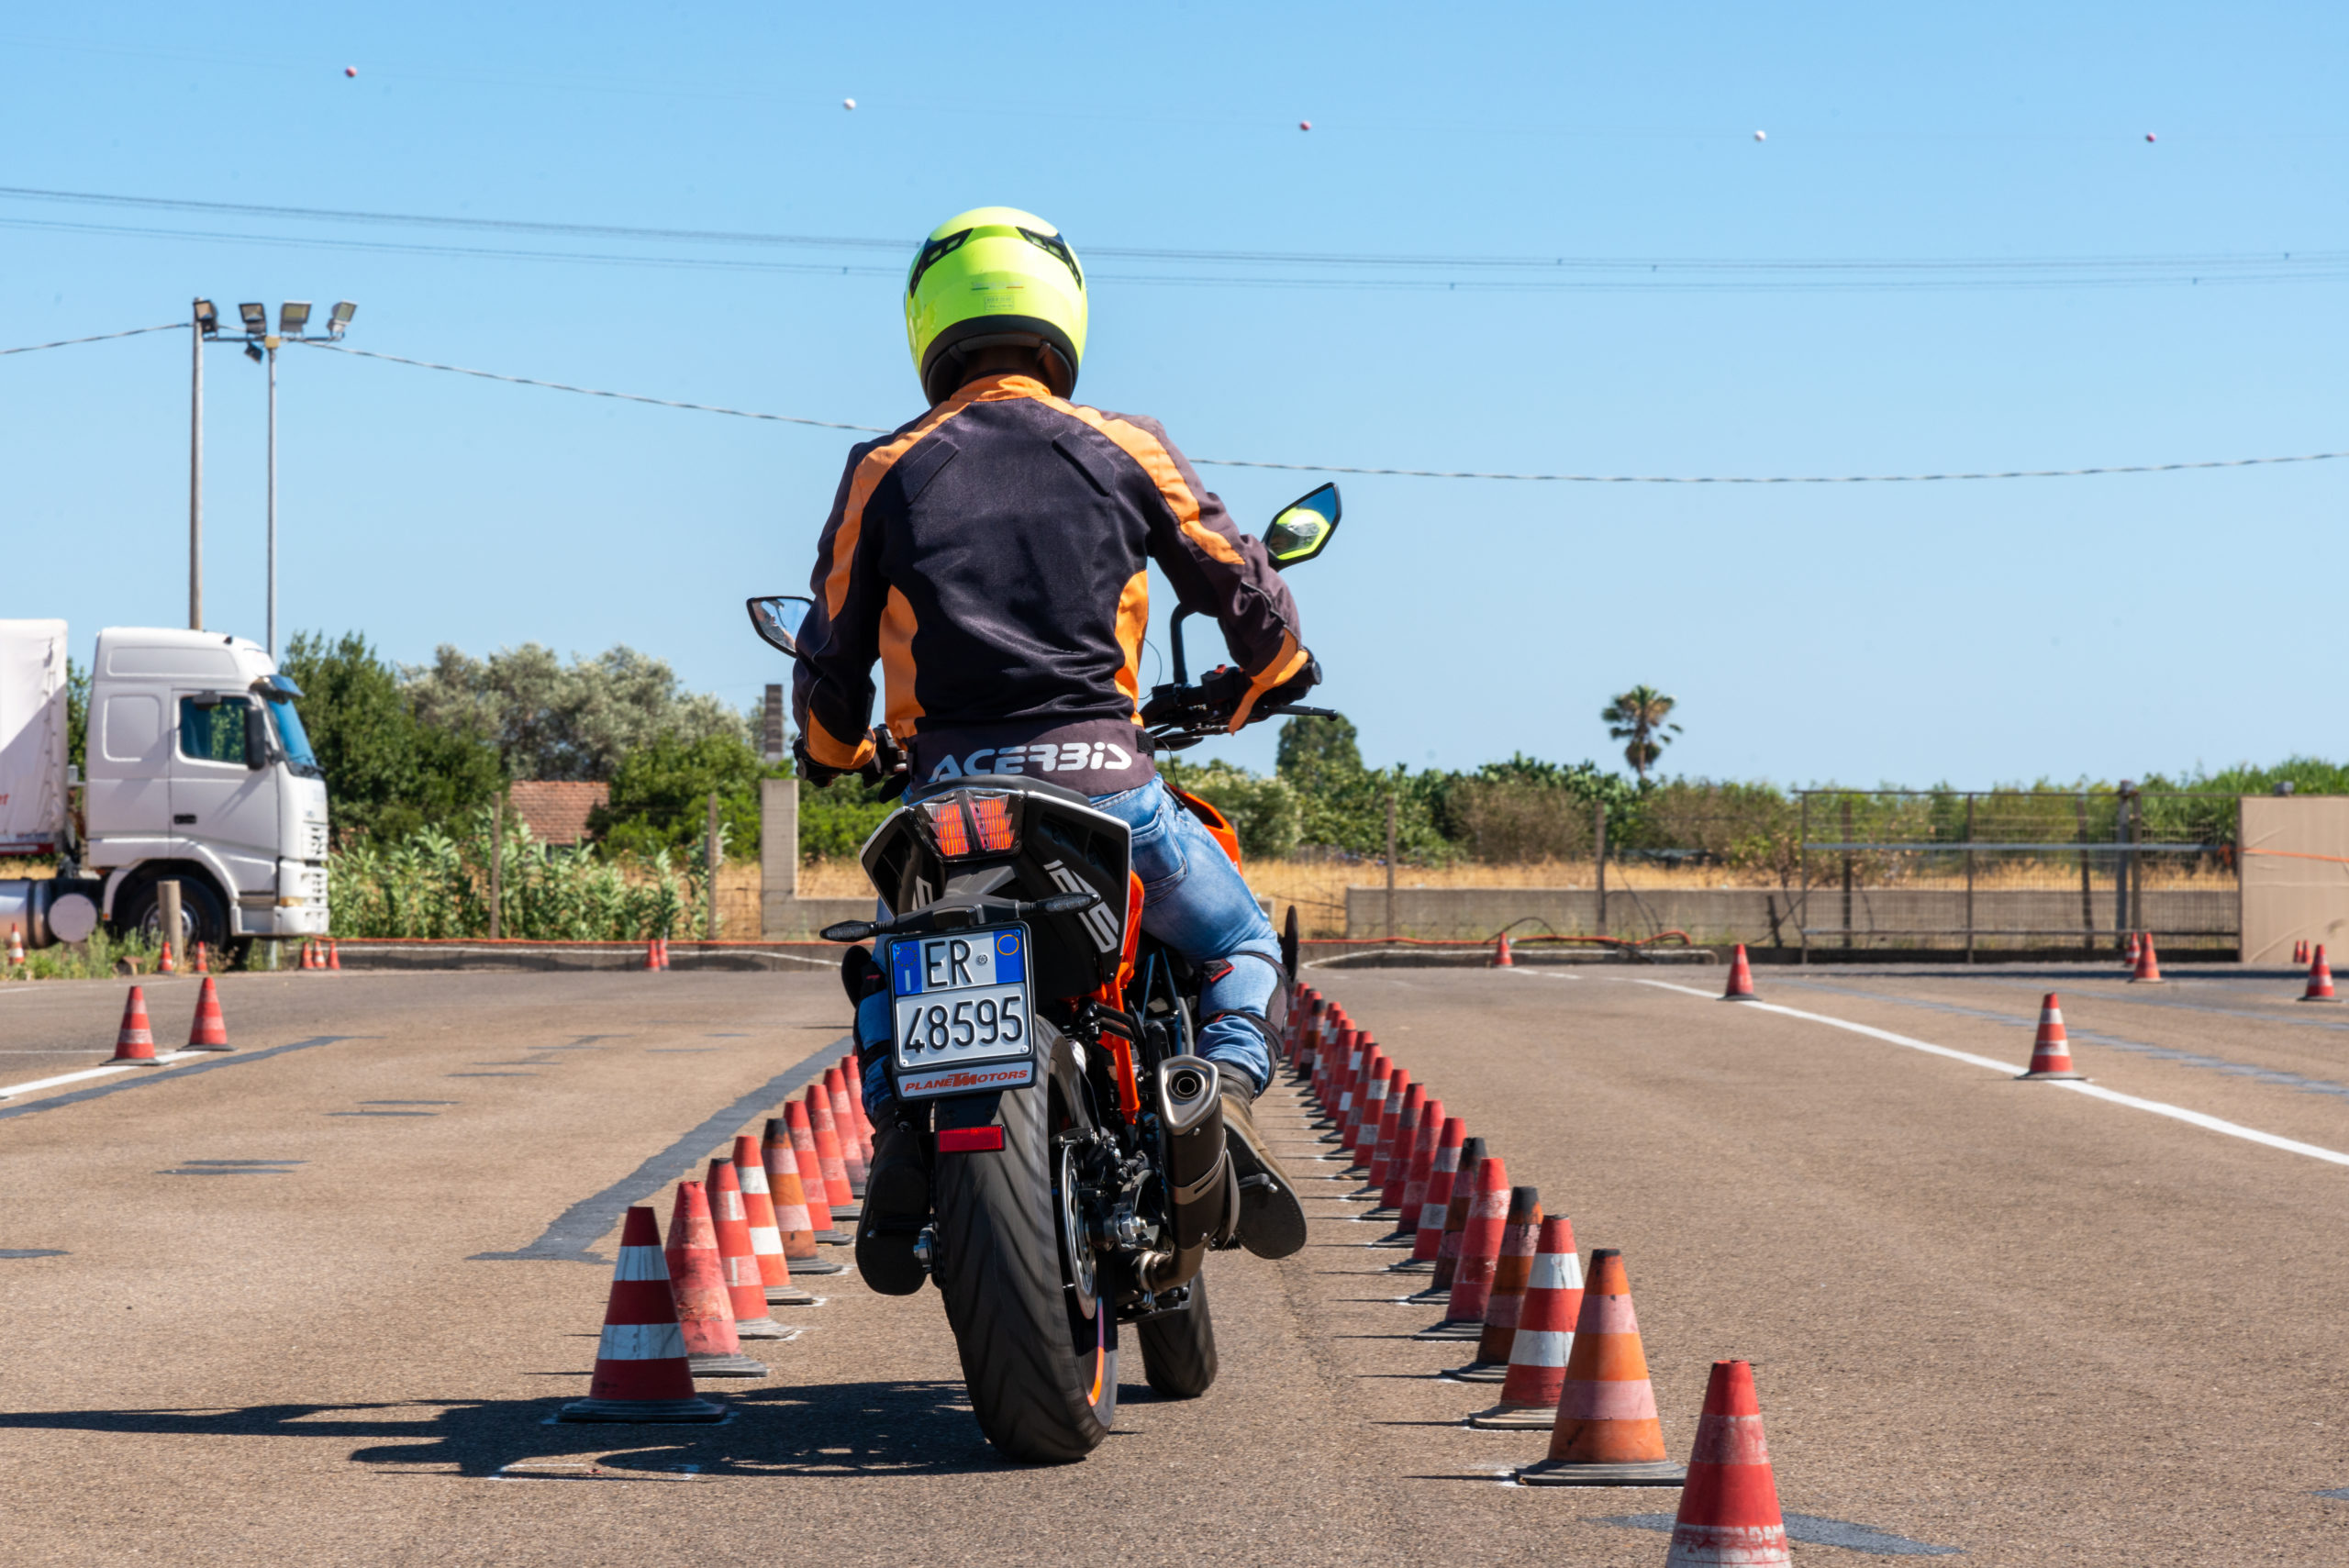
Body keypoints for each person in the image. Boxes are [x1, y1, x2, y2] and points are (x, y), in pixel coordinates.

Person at [789, 206, 1318, 1294]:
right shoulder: (1125, 444)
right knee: (1238, 946)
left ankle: (903, 1124)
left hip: (944, 808)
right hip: (1107, 791)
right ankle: (1212, 1089)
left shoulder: (882, 466)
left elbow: (830, 655)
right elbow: (1245, 590)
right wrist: (1269, 676)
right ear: (1060, 317)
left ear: (928, 325)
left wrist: (834, 750)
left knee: (893, 968)